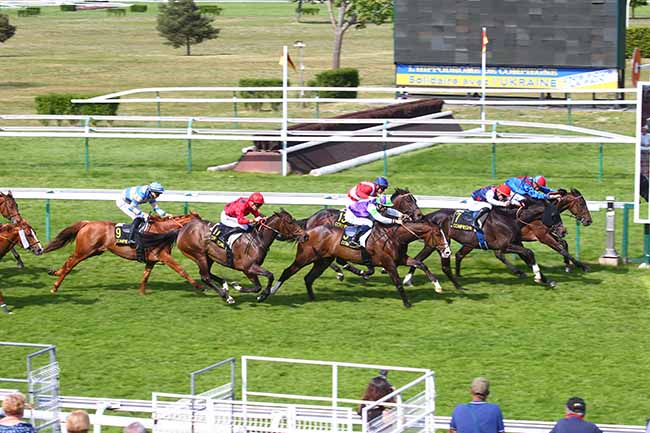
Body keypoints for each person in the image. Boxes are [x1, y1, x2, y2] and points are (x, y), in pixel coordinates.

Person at [116, 182, 170, 246]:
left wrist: (166, 215)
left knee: (144, 218)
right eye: (157, 193)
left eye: (159, 194)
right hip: (123, 202)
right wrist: (143, 214)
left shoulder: (151, 195)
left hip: (131, 202)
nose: (158, 195)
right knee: (138, 218)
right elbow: (131, 207)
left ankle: (140, 235)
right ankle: (130, 239)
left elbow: (156, 208)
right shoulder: (141, 194)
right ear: (151, 191)